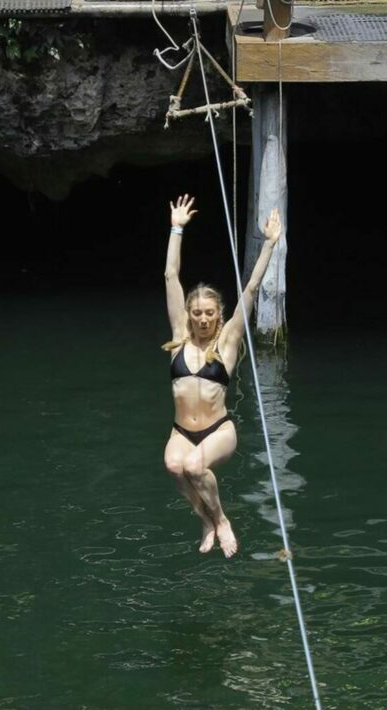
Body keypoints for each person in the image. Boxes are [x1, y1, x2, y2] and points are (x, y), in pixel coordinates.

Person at [162, 194, 282, 558]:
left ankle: (222, 520)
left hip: (218, 431)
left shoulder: (228, 341)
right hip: (181, 431)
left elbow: (251, 289)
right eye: (196, 312)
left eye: (208, 313)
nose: (201, 319)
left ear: (218, 315)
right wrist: (176, 228)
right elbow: (170, 274)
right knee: (174, 464)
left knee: (196, 466)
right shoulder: (180, 335)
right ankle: (205, 518)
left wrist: (269, 245)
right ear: (188, 313)